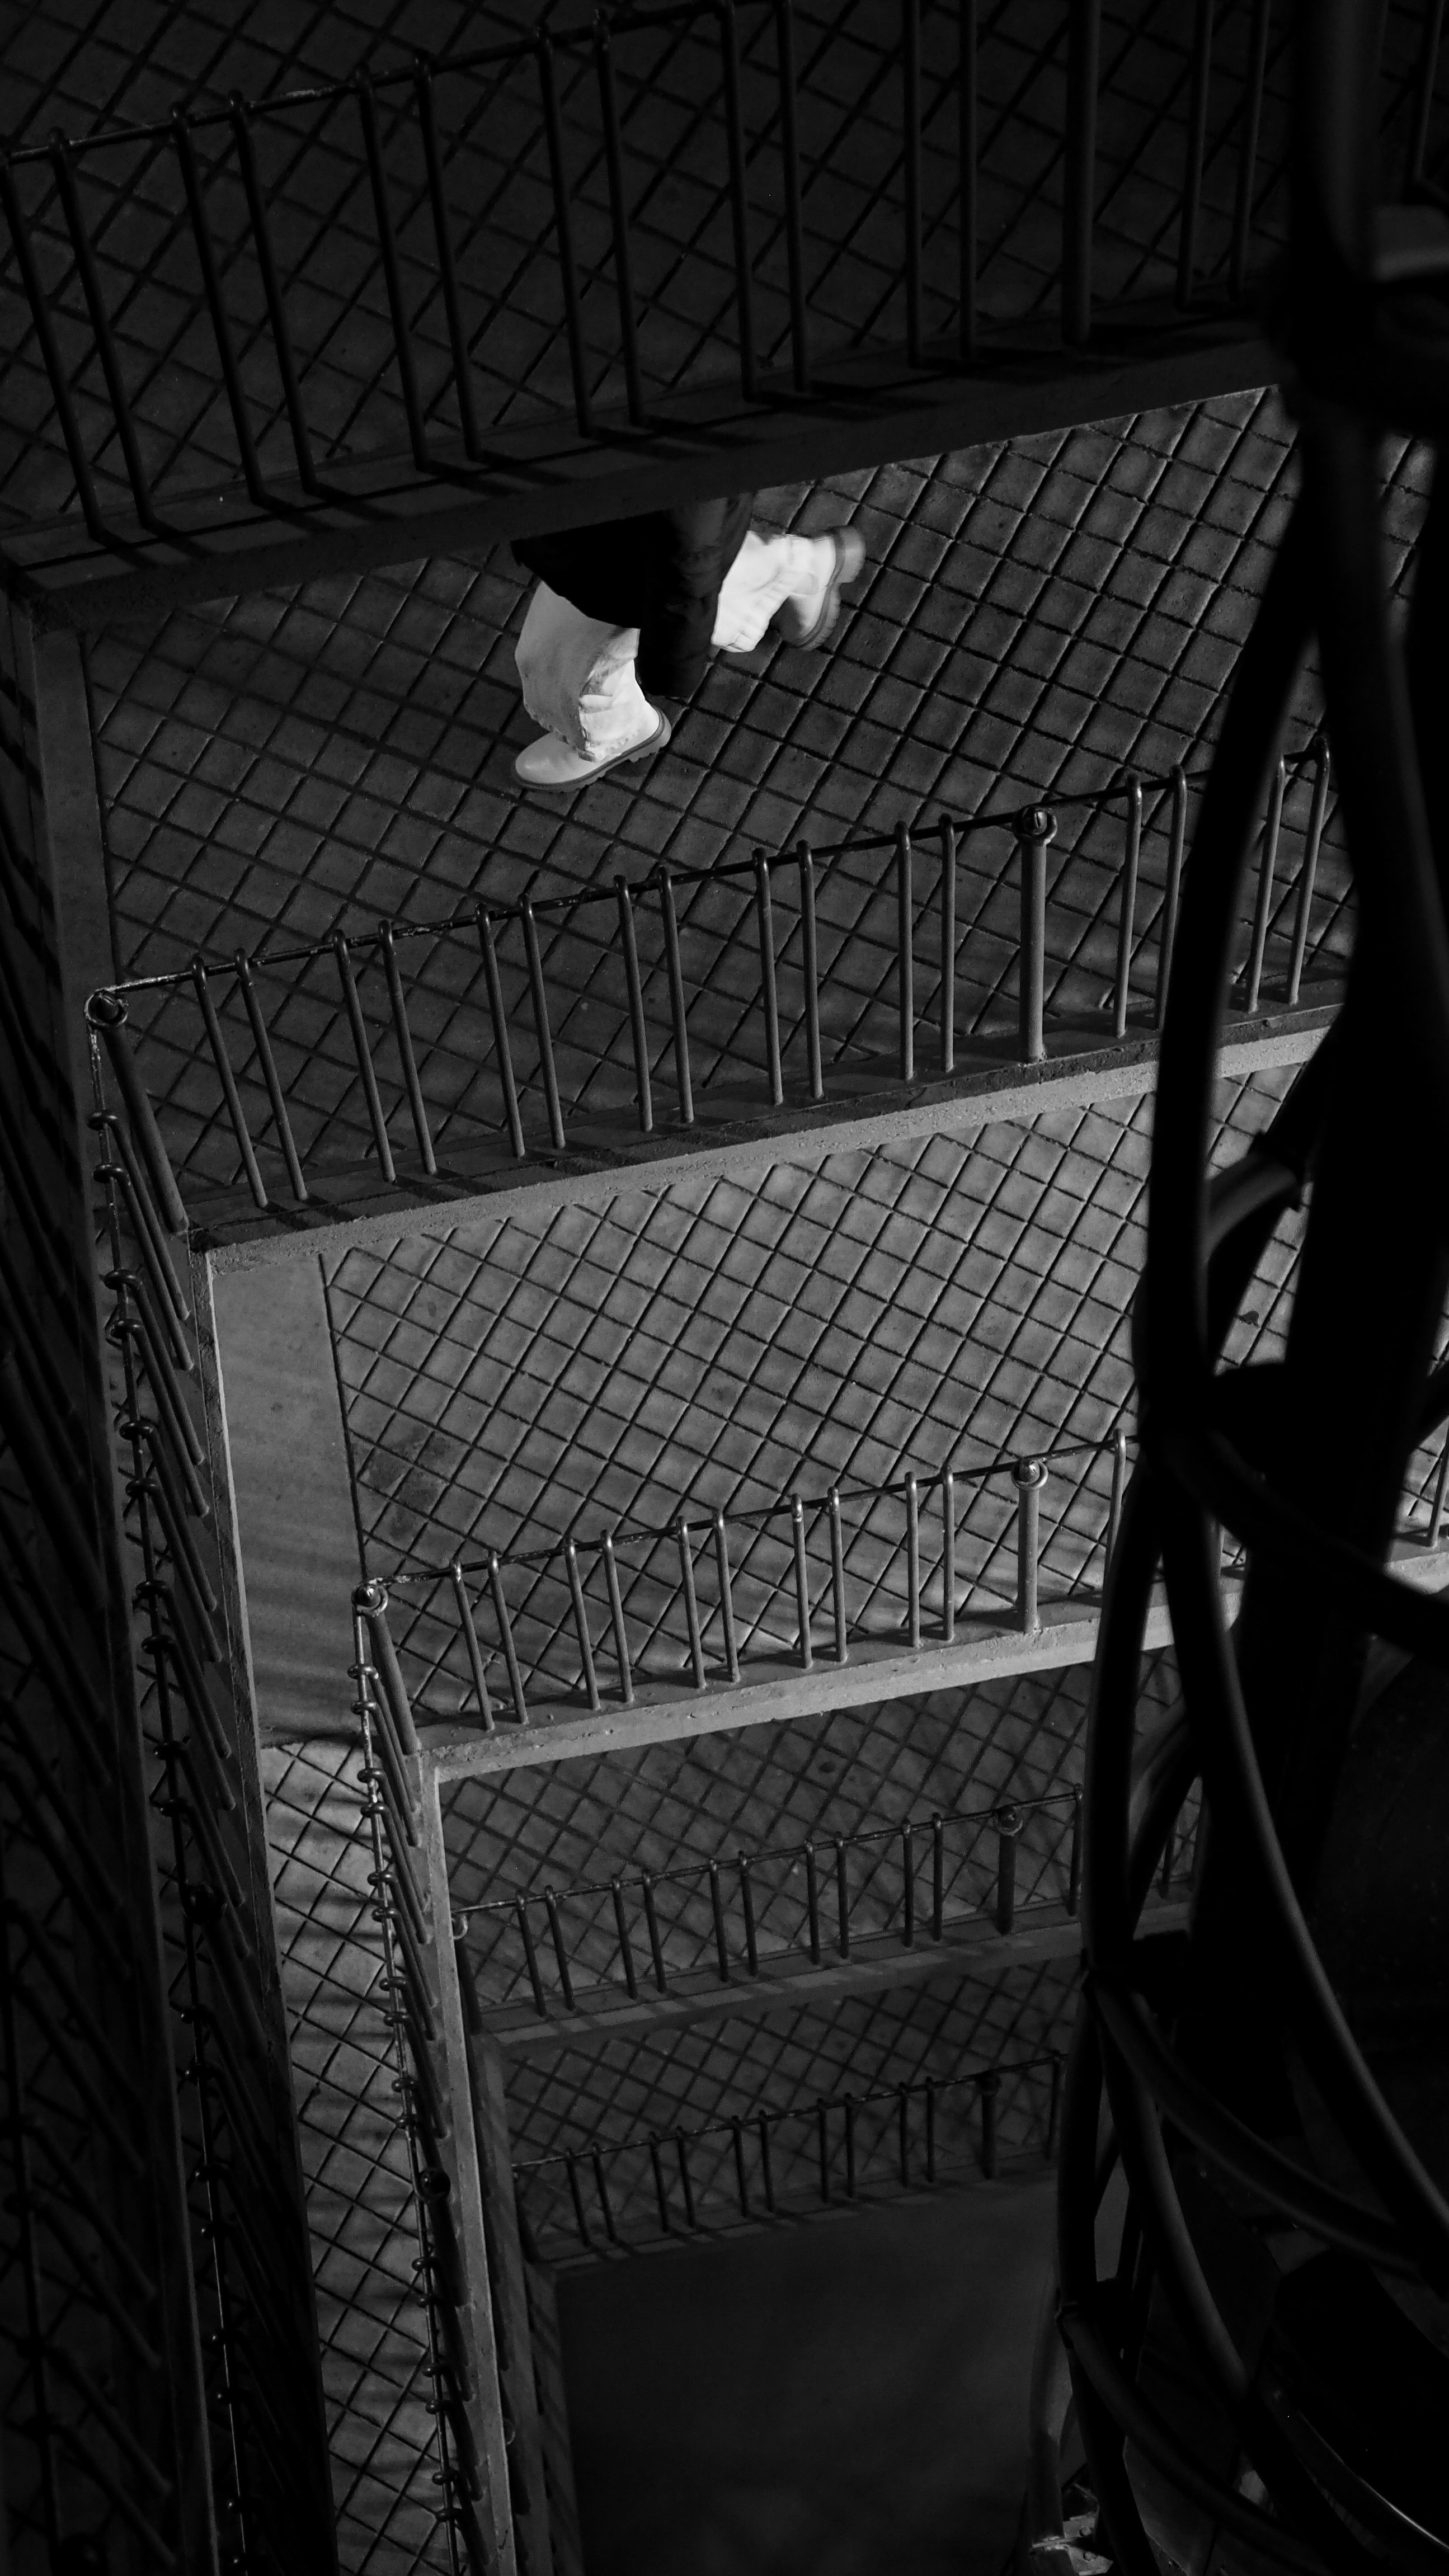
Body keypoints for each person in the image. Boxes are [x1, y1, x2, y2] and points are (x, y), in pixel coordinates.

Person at [510, 496, 865, 789]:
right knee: (685, 551)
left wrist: (669, 671)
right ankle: (798, 569)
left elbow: (684, 578)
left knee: (562, 653)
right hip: (642, 527)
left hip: (616, 549)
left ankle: (616, 732)